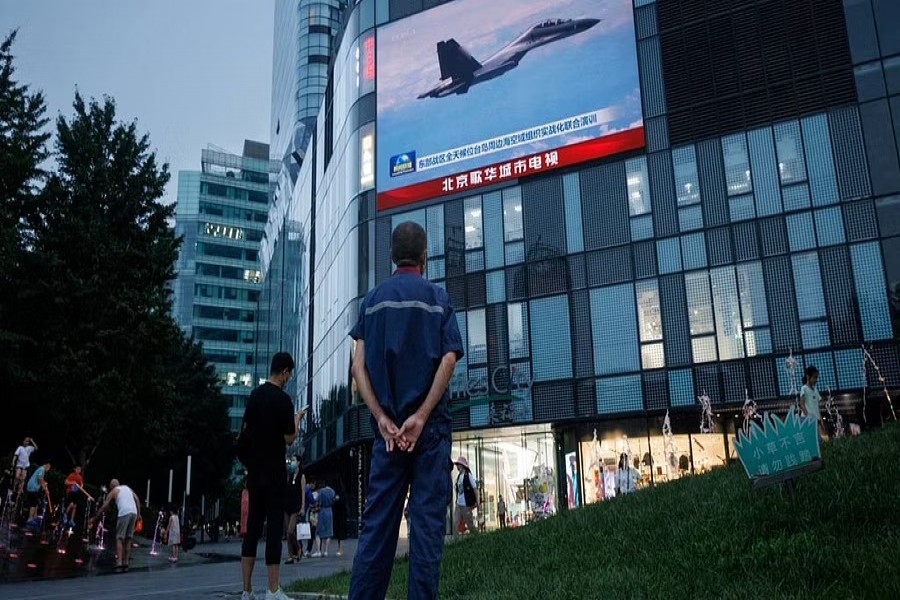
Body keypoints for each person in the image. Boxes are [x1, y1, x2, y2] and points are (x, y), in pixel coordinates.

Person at [348, 221, 464, 600]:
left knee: (377, 529)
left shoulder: (372, 302)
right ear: (425, 256)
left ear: (393, 258)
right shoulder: (438, 299)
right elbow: (449, 359)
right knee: (426, 531)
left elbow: (358, 368)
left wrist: (383, 418)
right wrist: (423, 415)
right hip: (428, 435)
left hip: (389, 436)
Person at [238, 352, 305, 600]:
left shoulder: (255, 396)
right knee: (274, 529)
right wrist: (297, 421)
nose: (289, 378)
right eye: (289, 374)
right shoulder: (283, 401)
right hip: (275, 475)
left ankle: (246, 591)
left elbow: (244, 432)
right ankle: (273, 590)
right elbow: (289, 438)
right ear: (285, 372)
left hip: (255, 474)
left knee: (252, 530)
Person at [89, 479, 141, 572]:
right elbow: (137, 499)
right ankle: (126, 564)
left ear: (111, 487)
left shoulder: (114, 491)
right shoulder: (127, 488)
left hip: (124, 512)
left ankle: (119, 563)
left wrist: (95, 517)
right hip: (134, 512)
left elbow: (104, 506)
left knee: (119, 537)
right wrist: (138, 515)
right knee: (128, 538)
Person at [283, 454, 306, 564]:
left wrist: (302, 506)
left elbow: (303, 492)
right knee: (287, 532)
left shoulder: (302, 476)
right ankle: (290, 555)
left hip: (296, 506)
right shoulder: (290, 475)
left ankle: (298, 548)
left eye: (293, 460)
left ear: (298, 462)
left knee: (291, 531)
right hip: (287, 504)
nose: (291, 462)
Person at [452, 457, 479, 535]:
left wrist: (477, 503)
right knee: (455, 523)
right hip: (459, 504)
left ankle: (477, 538)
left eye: (459, 465)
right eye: (457, 465)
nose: (457, 466)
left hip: (466, 504)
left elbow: (475, 489)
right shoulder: (459, 476)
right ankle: (455, 542)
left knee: (470, 524)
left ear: (462, 465)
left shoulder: (468, 475)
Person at [800, 365, 827, 438]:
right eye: (815, 377)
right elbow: (801, 404)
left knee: (820, 440)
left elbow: (817, 408)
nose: (816, 380)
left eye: (817, 377)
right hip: (806, 420)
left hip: (816, 420)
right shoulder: (804, 388)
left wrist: (821, 422)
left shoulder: (815, 390)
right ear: (808, 377)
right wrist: (808, 416)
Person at [313, 480, 338, 557]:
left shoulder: (321, 492)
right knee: (328, 532)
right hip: (329, 511)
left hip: (322, 511)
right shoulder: (332, 491)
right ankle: (326, 551)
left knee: (318, 532)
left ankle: (318, 551)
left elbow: (318, 502)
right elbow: (335, 500)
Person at [25, 460, 51, 525]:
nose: (49, 469)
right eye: (49, 467)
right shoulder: (42, 469)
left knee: (35, 502)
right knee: (33, 503)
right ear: (47, 465)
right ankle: (30, 519)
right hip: (32, 488)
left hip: (32, 488)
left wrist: (44, 484)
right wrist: (45, 488)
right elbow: (40, 479)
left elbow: (41, 479)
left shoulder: (40, 469)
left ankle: (35, 517)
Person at [332, 480, 348, 558]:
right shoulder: (341, 493)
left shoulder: (340, 495)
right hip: (340, 514)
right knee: (340, 533)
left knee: (341, 533)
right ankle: (340, 549)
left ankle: (341, 549)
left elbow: (339, 502)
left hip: (341, 515)